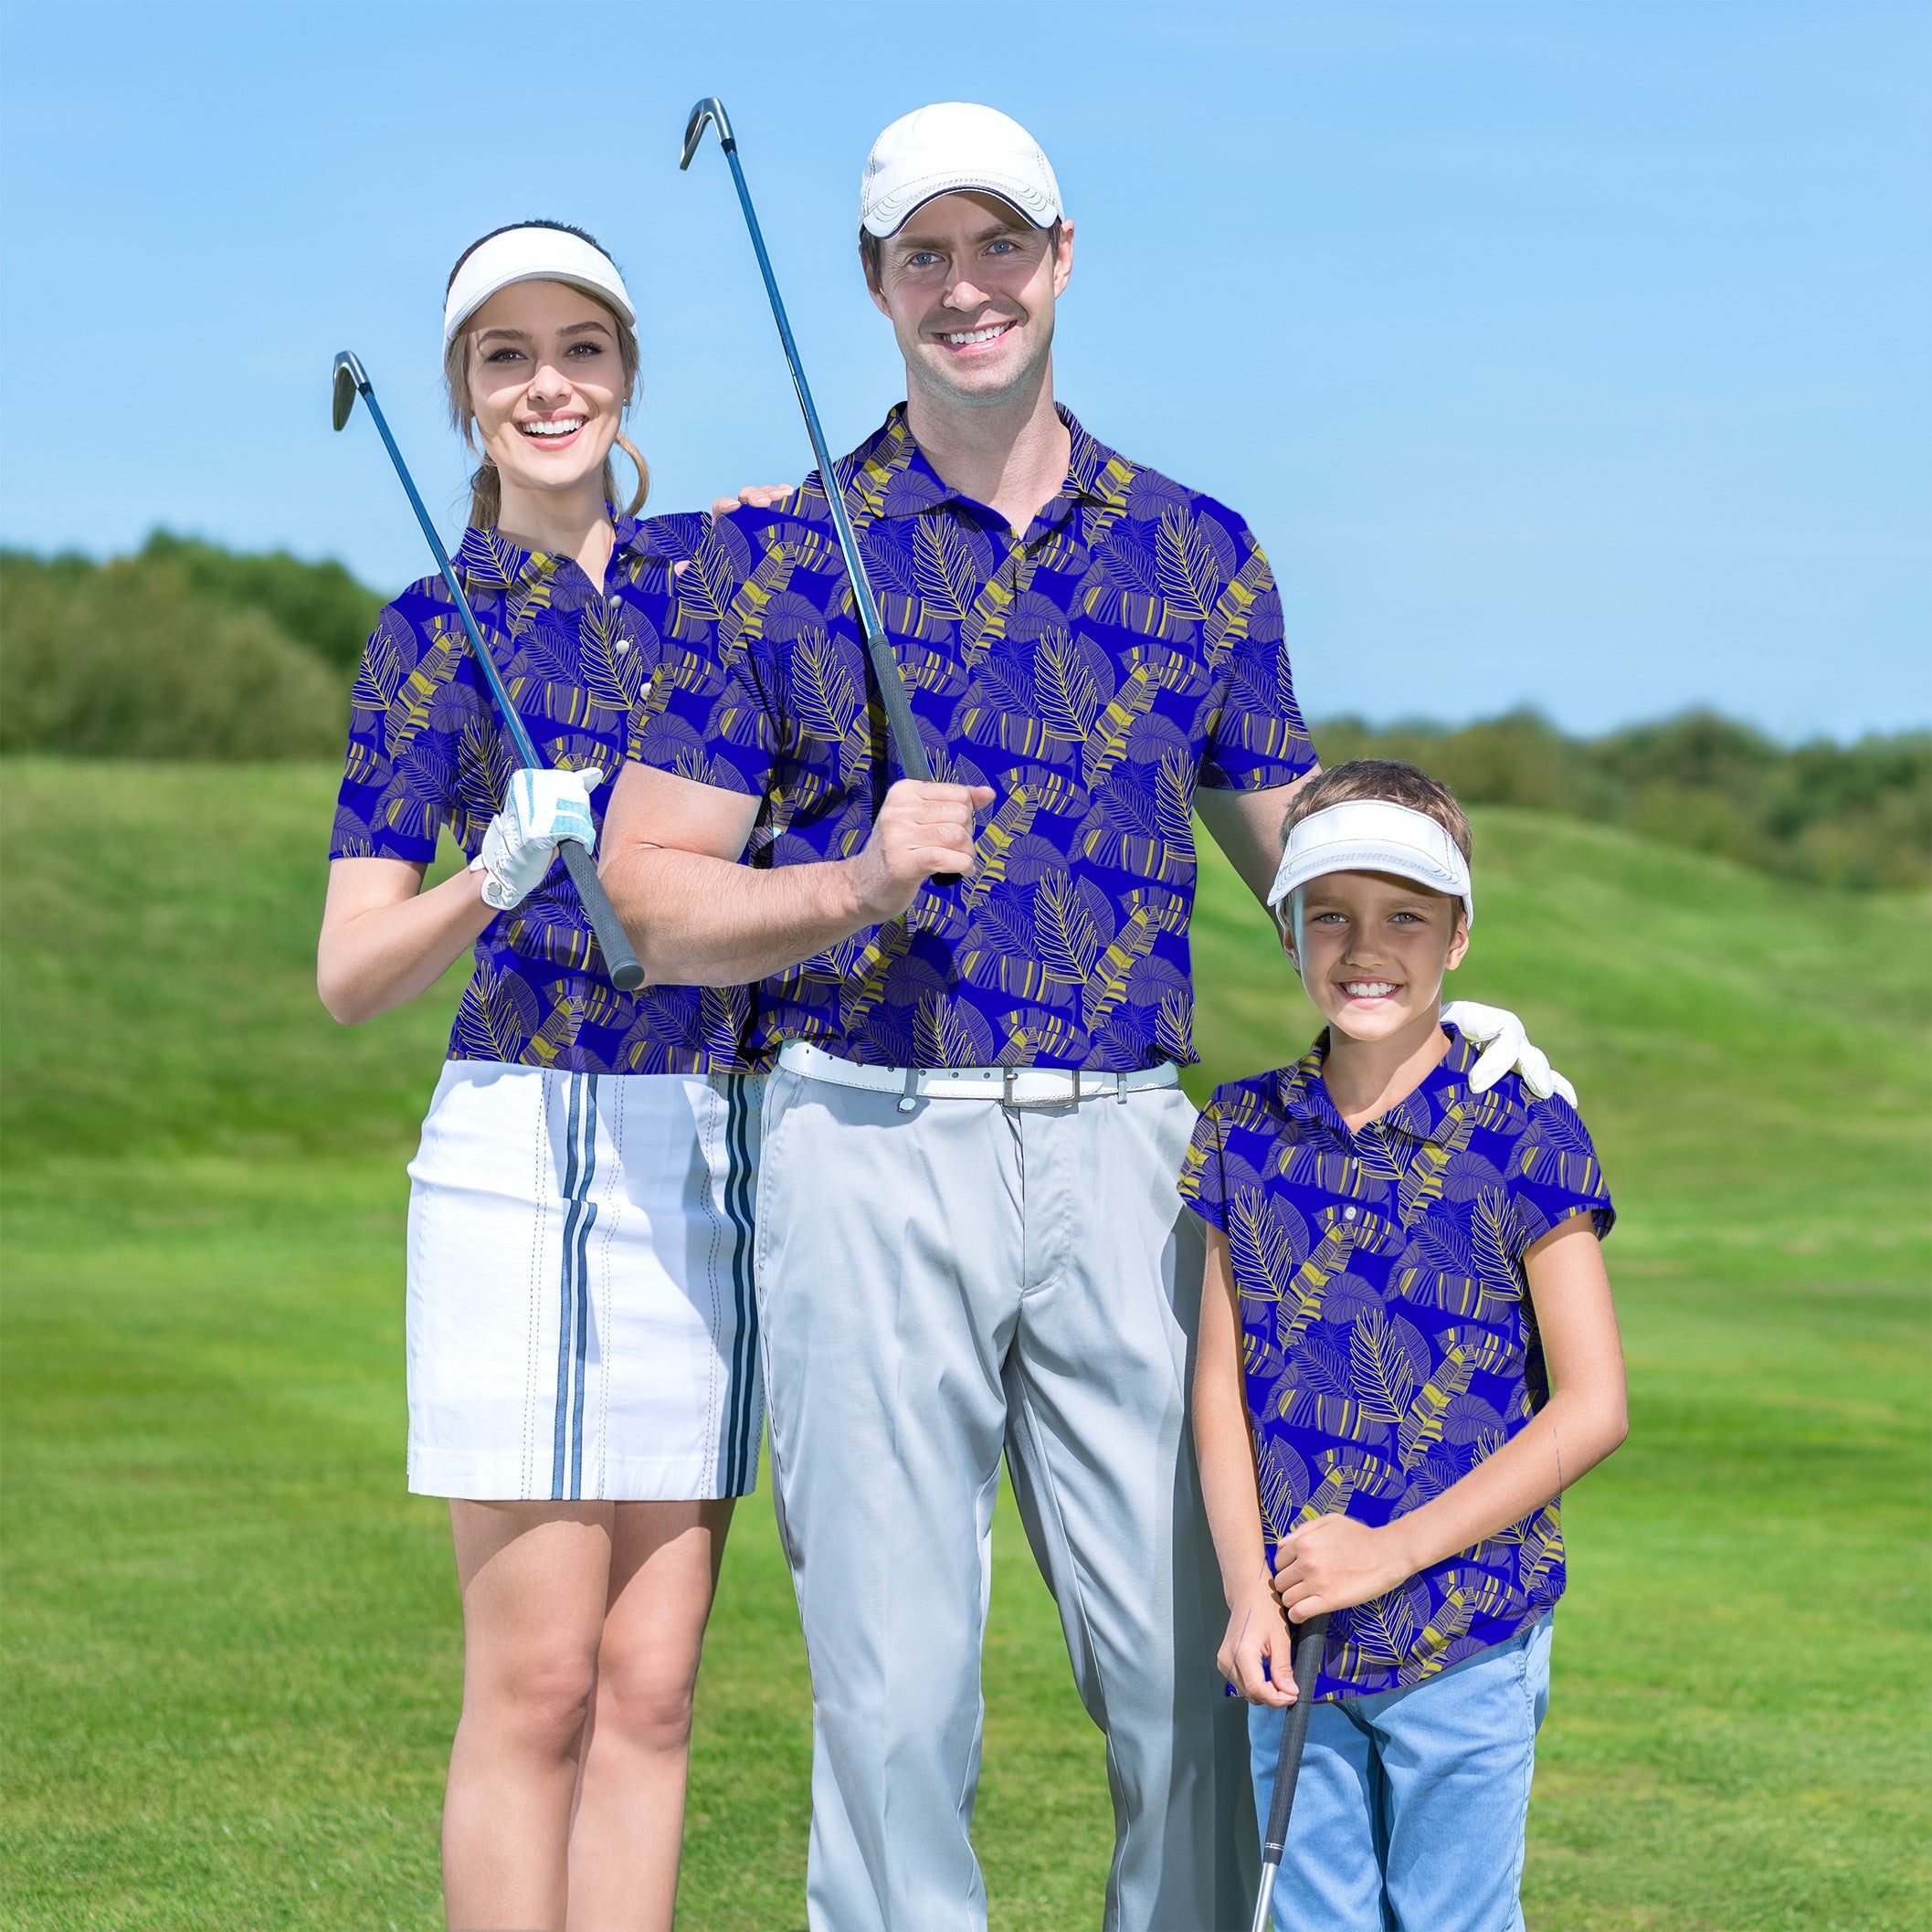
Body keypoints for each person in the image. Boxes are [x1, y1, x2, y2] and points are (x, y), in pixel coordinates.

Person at [601, 105, 1565, 1930]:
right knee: (893, 1701)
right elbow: (649, 895)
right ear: (876, 285)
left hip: (1132, 1156)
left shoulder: (1199, 554)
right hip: (862, 1140)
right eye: (923, 256)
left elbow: (1305, 855)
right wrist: (844, 884)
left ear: (1060, 257)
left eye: (999, 246)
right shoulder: (770, 557)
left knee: (1198, 1668)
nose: (966, 289)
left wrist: (1447, 981)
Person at [317, 221, 761, 1932]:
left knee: (653, 1689)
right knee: (540, 1688)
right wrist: (487, 877)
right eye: (507, 356)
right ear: (463, 394)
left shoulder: (718, 594)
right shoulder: (429, 629)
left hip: (703, 1158)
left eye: (581, 346)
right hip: (521, 1152)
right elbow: (352, 973)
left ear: (628, 373)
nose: (549, 382)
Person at [1184, 759, 1630, 1931]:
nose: (1363, 946)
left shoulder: (1526, 1126)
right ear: (1287, 928)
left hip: (1468, 1627)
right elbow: (1218, 1394)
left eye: (1404, 917)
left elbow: (1594, 1405)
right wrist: (1246, 1595)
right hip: (1295, 1631)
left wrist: (1391, 1554)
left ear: (1458, 938)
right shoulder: (1242, 1130)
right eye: (1328, 913)